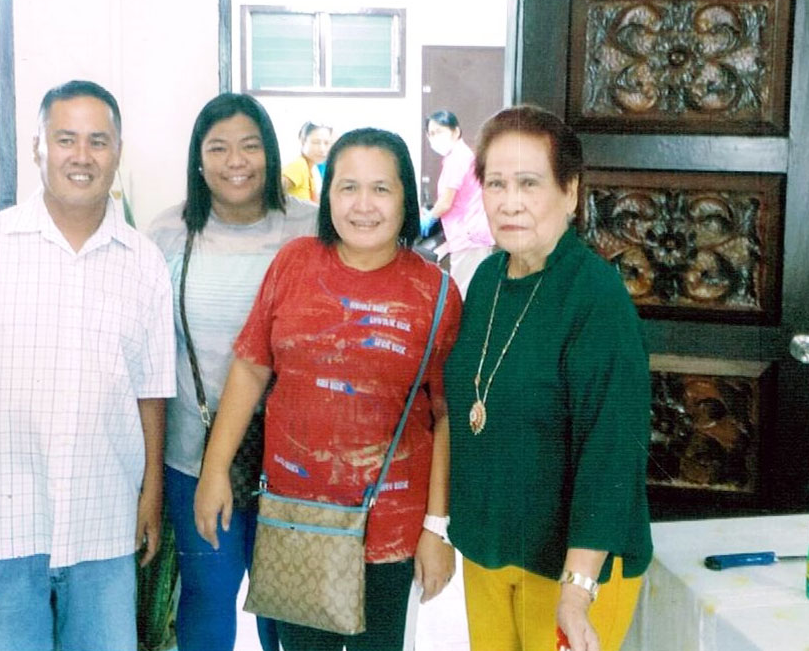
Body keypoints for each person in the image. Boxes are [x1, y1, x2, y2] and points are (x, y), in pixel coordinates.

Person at [0, 80, 176, 651]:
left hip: (103, 516)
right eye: (65, 139)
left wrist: (150, 492)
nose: (82, 156)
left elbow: (152, 392)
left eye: (98, 141)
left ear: (118, 152)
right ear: (38, 148)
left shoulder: (145, 264)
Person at [195, 128, 462, 651]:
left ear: (406, 197)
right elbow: (251, 368)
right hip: (297, 519)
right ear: (327, 194)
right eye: (348, 187)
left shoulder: (436, 293)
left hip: (390, 531)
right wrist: (214, 469)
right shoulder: (294, 263)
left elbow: (445, 415)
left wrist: (437, 528)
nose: (363, 205)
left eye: (381, 189)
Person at [444, 105, 652, 651]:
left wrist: (578, 591)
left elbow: (612, 453)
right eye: (496, 183)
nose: (509, 201)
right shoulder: (486, 279)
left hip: (573, 569)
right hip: (490, 552)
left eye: (529, 183)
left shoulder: (596, 298)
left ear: (570, 192)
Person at [147, 93, 317, 651]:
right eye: (218, 148)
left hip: (292, 457)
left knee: (286, 606)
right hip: (194, 454)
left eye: (249, 146)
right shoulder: (168, 233)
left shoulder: (311, 229)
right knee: (207, 594)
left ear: (270, 153)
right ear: (198, 160)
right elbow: (149, 349)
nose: (235, 161)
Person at [420, 111, 495, 297]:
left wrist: (428, 219)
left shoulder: (458, 159)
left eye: (439, 131)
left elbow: (446, 202)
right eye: (431, 133)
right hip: (468, 235)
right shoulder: (458, 156)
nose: (434, 137)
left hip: (468, 236)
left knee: (464, 294)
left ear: (455, 131)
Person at [281, 121, 332, 202]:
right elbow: (273, 191)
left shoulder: (310, 169)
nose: (322, 149)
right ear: (303, 142)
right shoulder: (299, 165)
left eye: (326, 143)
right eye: (316, 142)